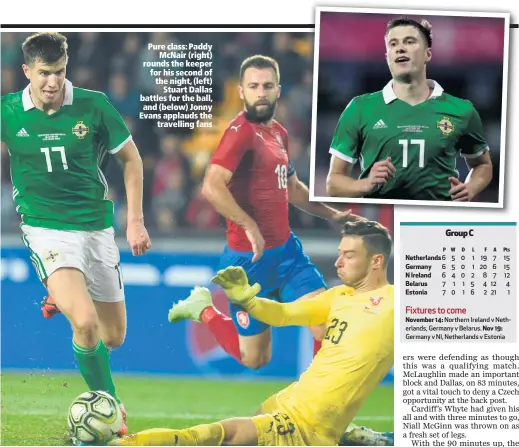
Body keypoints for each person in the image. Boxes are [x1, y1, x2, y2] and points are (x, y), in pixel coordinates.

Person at [112, 220, 395, 446]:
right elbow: (283, 314)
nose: (338, 263)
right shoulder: (339, 295)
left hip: (306, 430)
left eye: (349, 255)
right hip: (288, 401)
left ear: (376, 261)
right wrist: (249, 301)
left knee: (211, 436)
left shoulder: (398, 304)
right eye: (339, 254)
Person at [1, 32, 151, 436]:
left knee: (112, 336)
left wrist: (134, 220)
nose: (53, 82)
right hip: (46, 229)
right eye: (45, 73)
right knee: (84, 322)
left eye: (60, 72)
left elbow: (132, 160)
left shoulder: (94, 105)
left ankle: (61, 292)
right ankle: (113, 415)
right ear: (27, 71)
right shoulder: (7, 112)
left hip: (96, 228)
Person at [168, 54, 354, 369]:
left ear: (278, 89)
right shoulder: (239, 132)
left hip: (287, 255)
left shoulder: (279, 133)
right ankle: (204, 309)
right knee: (255, 358)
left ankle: (324, 414)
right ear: (241, 92)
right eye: (253, 86)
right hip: (247, 264)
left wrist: (332, 214)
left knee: (325, 324)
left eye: (267, 85)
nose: (261, 92)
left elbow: (293, 188)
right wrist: (249, 224)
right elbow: (212, 186)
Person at [326, 17, 493, 202]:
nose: (400, 48)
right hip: (382, 223)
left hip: (435, 223)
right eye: (393, 43)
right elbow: (333, 183)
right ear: (387, 55)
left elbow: (483, 165)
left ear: (428, 54)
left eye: (410, 41)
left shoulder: (462, 110)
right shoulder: (359, 108)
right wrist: (365, 184)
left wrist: (470, 188)